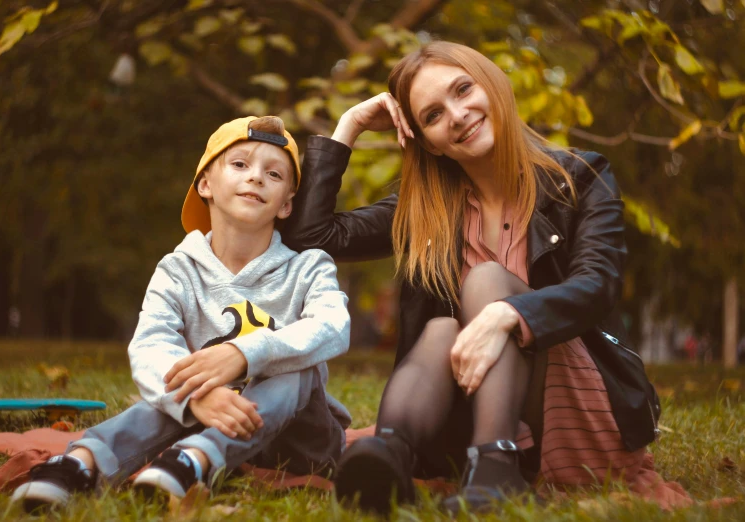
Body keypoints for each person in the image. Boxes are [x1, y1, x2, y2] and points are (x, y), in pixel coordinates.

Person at [283, 41, 660, 515]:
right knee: (441, 328)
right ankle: (392, 458)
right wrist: (350, 125)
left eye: (464, 90)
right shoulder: (425, 209)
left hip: (575, 411)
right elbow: (311, 238)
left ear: (492, 84)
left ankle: (497, 463)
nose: (458, 115)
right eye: (434, 115)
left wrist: (507, 314)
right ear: (425, 140)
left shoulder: (579, 176)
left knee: (486, 282)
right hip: (468, 412)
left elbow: (598, 284)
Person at [11, 116, 352, 512]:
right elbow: (151, 346)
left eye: (273, 173)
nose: (256, 178)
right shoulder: (178, 269)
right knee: (180, 379)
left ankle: (198, 459)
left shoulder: (309, 266)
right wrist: (195, 401)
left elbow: (332, 326)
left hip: (301, 442)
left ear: (287, 204)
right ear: (205, 184)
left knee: (295, 365)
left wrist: (245, 354)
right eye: (240, 165)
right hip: (208, 417)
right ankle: (80, 465)